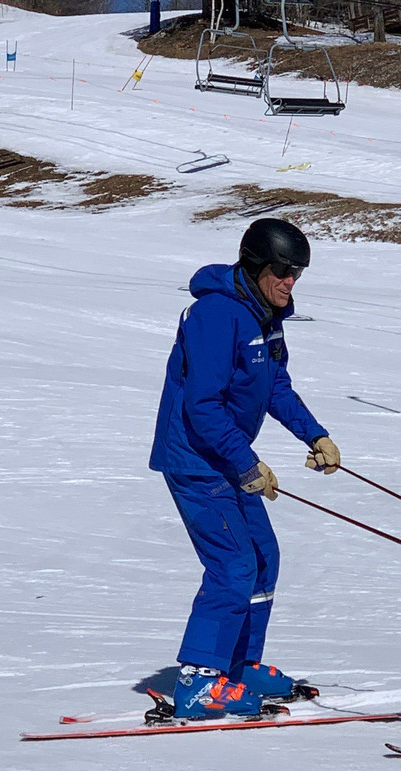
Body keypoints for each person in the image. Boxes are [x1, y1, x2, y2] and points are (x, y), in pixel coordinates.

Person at [149, 218, 341, 719]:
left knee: (263, 555)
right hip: (196, 458)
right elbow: (203, 405)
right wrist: (248, 462)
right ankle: (197, 681)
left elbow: (274, 385)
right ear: (256, 266)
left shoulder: (264, 316)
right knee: (233, 565)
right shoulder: (216, 315)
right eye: (282, 270)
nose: (290, 281)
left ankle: (238, 663)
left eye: (297, 273)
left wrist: (314, 435)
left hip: (227, 457)